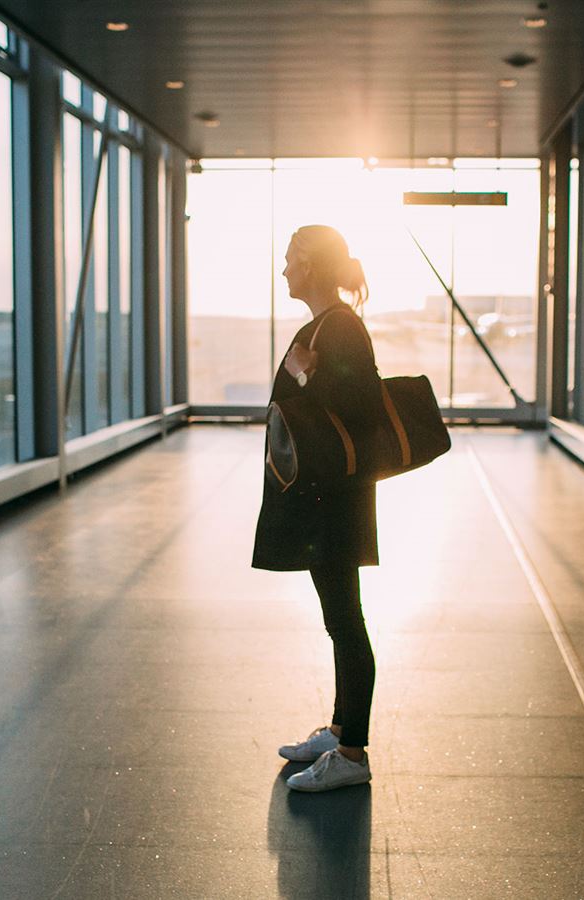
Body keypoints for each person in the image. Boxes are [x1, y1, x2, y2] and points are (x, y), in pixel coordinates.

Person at [252, 224, 383, 793]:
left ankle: (352, 752)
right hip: (324, 501)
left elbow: (361, 405)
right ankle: (340, 729)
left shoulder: (341, 328)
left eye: (289, 260)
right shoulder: (325, 326)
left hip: (335, 503)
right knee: (339, 619)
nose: (283, 270)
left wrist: (307, 370)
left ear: (310, 265)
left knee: (346, 622)